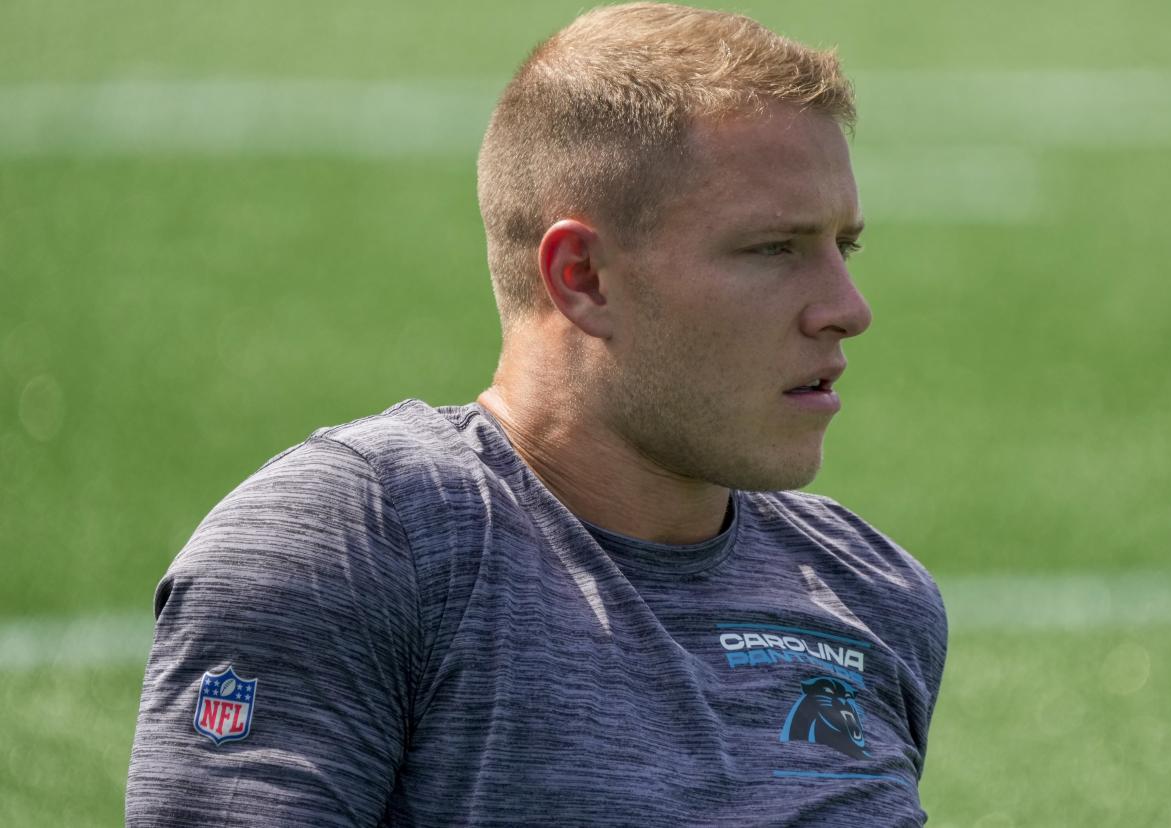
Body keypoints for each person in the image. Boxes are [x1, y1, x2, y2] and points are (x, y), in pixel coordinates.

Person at [126, 3, 947, 825]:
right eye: (774, 249)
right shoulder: (359, 544)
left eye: (845, 247)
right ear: (582, 276)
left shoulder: (868, 590)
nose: (847, 308)